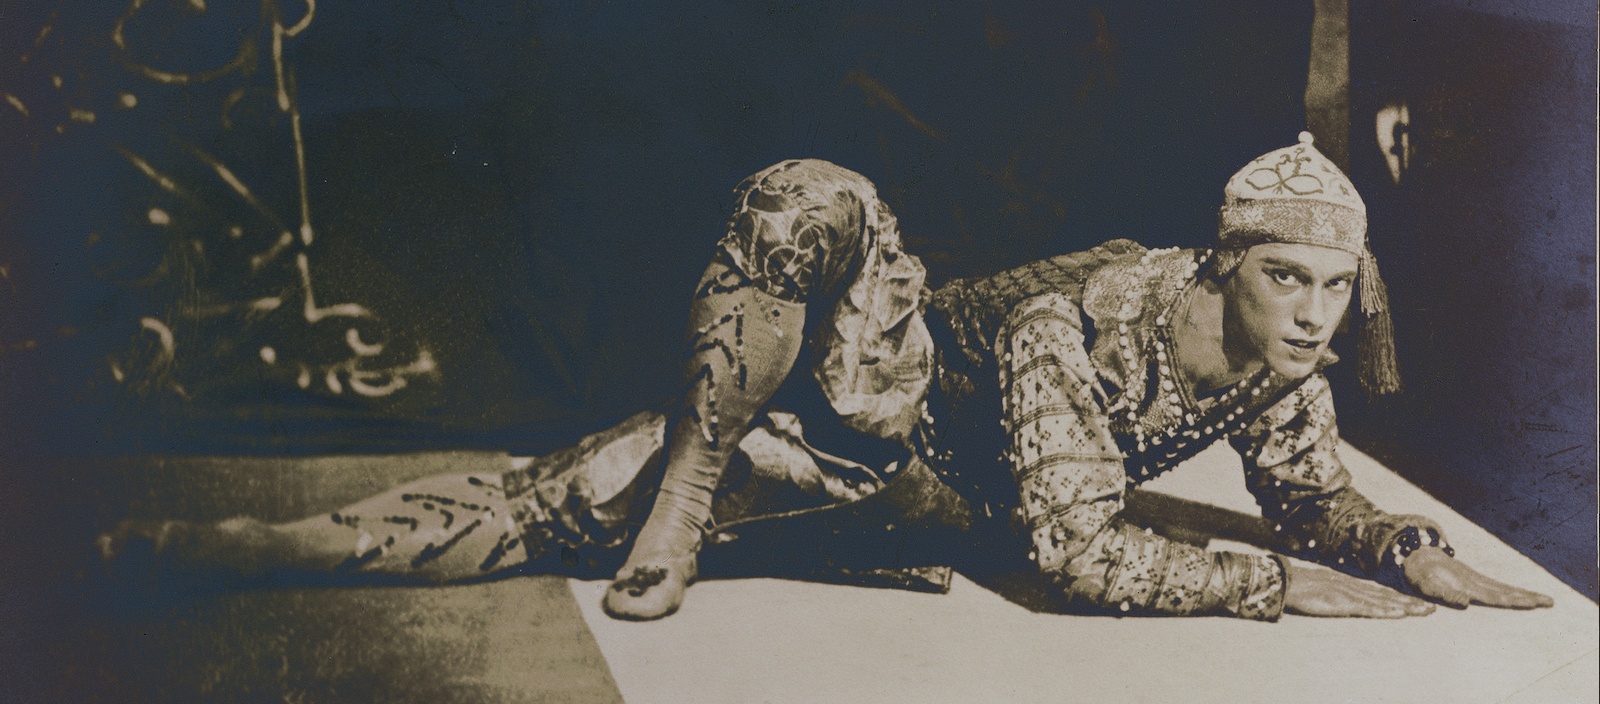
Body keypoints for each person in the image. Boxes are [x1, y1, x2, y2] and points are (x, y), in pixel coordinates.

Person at [100, 137, 1553, 622]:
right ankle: (232, 544)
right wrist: (1266, 585)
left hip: (922, 519)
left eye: (1335, 286)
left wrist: (1403, 549)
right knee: (807, 199)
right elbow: (1076, 552)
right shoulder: (1079, 322)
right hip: (849, 433)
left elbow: (1308, 491)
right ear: (1223, 263)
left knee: (547, 511)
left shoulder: (1291, 369)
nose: (1312, 314)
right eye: (1284, 278)